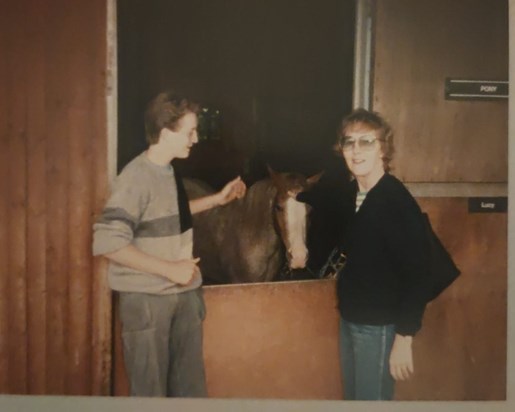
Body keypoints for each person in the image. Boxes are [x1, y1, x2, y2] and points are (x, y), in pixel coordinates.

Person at [92, 91, 246, 397]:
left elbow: (170, 214)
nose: (196, 138)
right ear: (165, 133)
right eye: (190, 132)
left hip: (182, 295)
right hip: (149, 301)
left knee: (189, 391)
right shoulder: (135, 177)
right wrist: (169, 269)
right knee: (150, 394)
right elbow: (108, 241)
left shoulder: (167, 170)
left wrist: (217, 199)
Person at [334, 108, 431, 400]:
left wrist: (404, 338)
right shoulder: (357, 194)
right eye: (349, 142)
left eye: (367, 142)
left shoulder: (395, 200)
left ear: (383, 149)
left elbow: (419, 274)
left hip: (377, 326)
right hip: (351, 319)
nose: (356, 150)